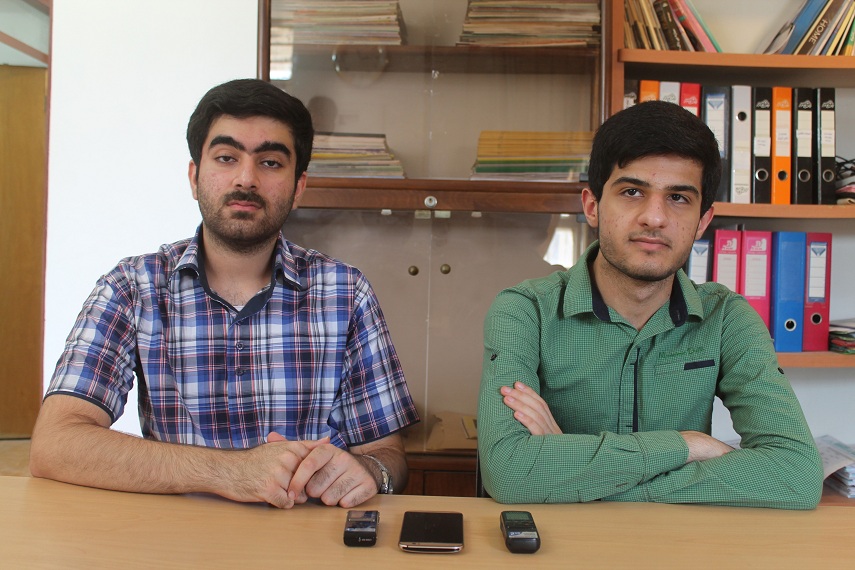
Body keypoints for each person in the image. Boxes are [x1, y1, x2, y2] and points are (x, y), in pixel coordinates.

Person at [29, 79, 419, 509]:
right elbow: (55, 444)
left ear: (299, 187)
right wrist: (231, 471)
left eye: (270, 162)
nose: (246, 179)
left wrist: (370, 471)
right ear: (194, 177)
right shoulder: (132, 288)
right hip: (178, 536)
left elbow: (388, 455)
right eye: (226, 157)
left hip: (308, 534)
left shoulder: (346, 293)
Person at [478, 100, 823, 509]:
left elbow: (796, 476)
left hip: (677, 541)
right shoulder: (525, 311)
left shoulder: (727, 318)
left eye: (678, 197)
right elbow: (510, 472)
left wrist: (575, 470)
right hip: (558, 540)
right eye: (632, 192)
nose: (654, 218)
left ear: (703, 221)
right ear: (592, 206)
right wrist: (686, 445)